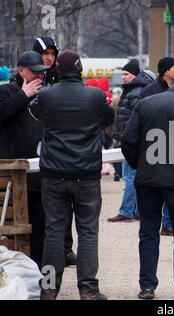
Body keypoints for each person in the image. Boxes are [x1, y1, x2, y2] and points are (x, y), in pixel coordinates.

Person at [30, 50, 114, 300]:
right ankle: (88, 289)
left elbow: (34, 113)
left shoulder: (46, 95)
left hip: (53, 174)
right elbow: (108, 118)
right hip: (86, 174)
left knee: (53, 231)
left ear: (57, 70)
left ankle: (49, 288)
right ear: (80, 70)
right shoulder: (96, 95)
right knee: (88, 232)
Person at [121, 73, 174, 299]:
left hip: (146, 179)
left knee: (148, 232)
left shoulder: (145, 103)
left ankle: (147, 287)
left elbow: (127, 139)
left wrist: (138, 164)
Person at [33, 36, 78, 267]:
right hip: (39, 146)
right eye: (45, 54)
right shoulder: (31, 80)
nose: (49, 58)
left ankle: (66, 248)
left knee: (66, 203)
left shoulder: (61, 79)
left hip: (59, 145)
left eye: (52, 54)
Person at [0, 51, 47, 269]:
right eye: (35, 71)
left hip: (38, 175)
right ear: (20, 71)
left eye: (42, 72)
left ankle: (36, 277)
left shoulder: (44, 95)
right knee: (9, 228)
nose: (40, 76)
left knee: (39, 228)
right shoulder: (5, 91)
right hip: (9, 177)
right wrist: (22, 95)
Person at [108, 60, 155, 222]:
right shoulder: (134, 89)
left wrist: (129, 138)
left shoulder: (135, 91)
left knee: (130, 176)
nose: (123, 77)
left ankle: (127, 211)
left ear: (135, 75)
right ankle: (135, 211)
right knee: (133, 177)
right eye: (122, 74)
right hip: (134, 141)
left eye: (126, 74)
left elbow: (138, 117)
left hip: (133, 142)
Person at [139, 56, 174, 235]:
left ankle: (168, 224)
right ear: (166, 71)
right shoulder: (150, 91)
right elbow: (140, 117)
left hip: (173, 145)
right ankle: (153, 225)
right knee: (154, 191)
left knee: (172, 187)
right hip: (152, 145)